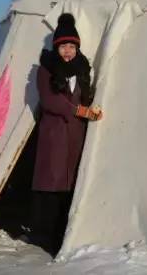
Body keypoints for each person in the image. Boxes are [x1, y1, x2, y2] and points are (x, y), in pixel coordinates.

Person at [29, 13, 103, 256]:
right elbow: (51, 101)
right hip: (54, 135)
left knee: (68, 187)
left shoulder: (82, 69)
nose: (68, 51)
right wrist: (79, 110)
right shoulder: (46, 70)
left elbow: (84, 97)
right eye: (63, 46)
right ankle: (43, 236)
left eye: (72, 46)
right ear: (56, 47)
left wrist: (92, 109)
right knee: (50, 186)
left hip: (75, 135)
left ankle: (63, 234)